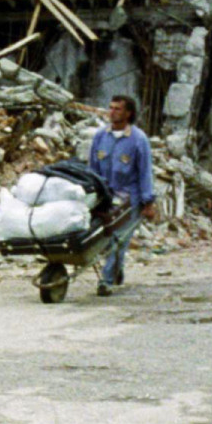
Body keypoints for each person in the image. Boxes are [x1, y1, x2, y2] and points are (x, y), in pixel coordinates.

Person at [87, 94, 157, 297]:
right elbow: (92, 168)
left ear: (128, 113)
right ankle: (116, 270)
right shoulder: (101, 136)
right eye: (110, 108)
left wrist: (148, 202)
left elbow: (145, 172)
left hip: (129, 198)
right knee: (104, 239)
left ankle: (106, 281)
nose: (112, 112)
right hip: (105, 196)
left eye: (117, 109)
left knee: (118, 238)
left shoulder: (138, 140)